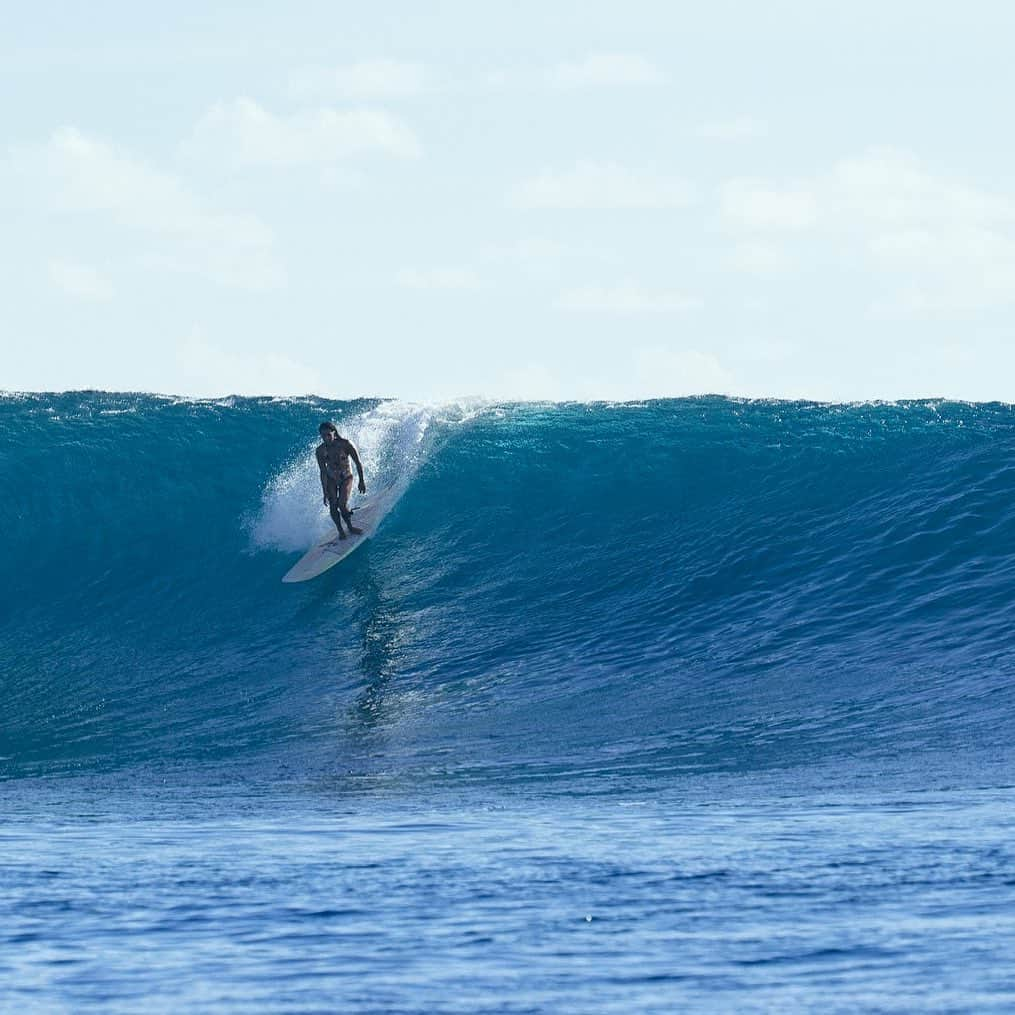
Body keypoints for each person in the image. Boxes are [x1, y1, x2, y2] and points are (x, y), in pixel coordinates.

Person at [316, 421, 366, 539]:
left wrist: (361, 481)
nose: (326, 438)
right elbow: (323, 472)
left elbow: (358, 463)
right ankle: (340, 531)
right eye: (323, 436)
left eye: (328, 434)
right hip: (331, 479)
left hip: (346, 477)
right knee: (333, 506)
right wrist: (324, 491)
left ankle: (350, 527)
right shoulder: (320, 451)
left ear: (334, 432)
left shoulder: (346, 444)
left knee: (342, 505)